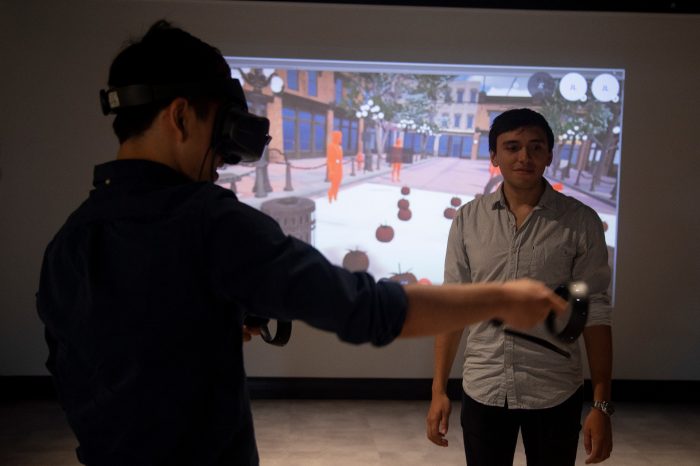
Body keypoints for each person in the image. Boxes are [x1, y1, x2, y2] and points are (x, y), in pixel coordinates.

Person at [36, 22, 567, 466]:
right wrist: (502, 298)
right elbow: (365, 309)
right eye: (220, 128)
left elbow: (88, 366)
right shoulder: (210, 221)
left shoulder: (69, 239)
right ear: (180, 115)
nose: (223, 156)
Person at [426, 108, 614, 465]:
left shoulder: (579, 222)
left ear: (549, 155)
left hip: (554, 388)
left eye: (534, 147)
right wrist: (438, 391)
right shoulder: (468, 220)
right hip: (484, 385)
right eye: (511, 147)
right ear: (494, 156)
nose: (524, 157)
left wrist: (601, 405)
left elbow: (594, 312)